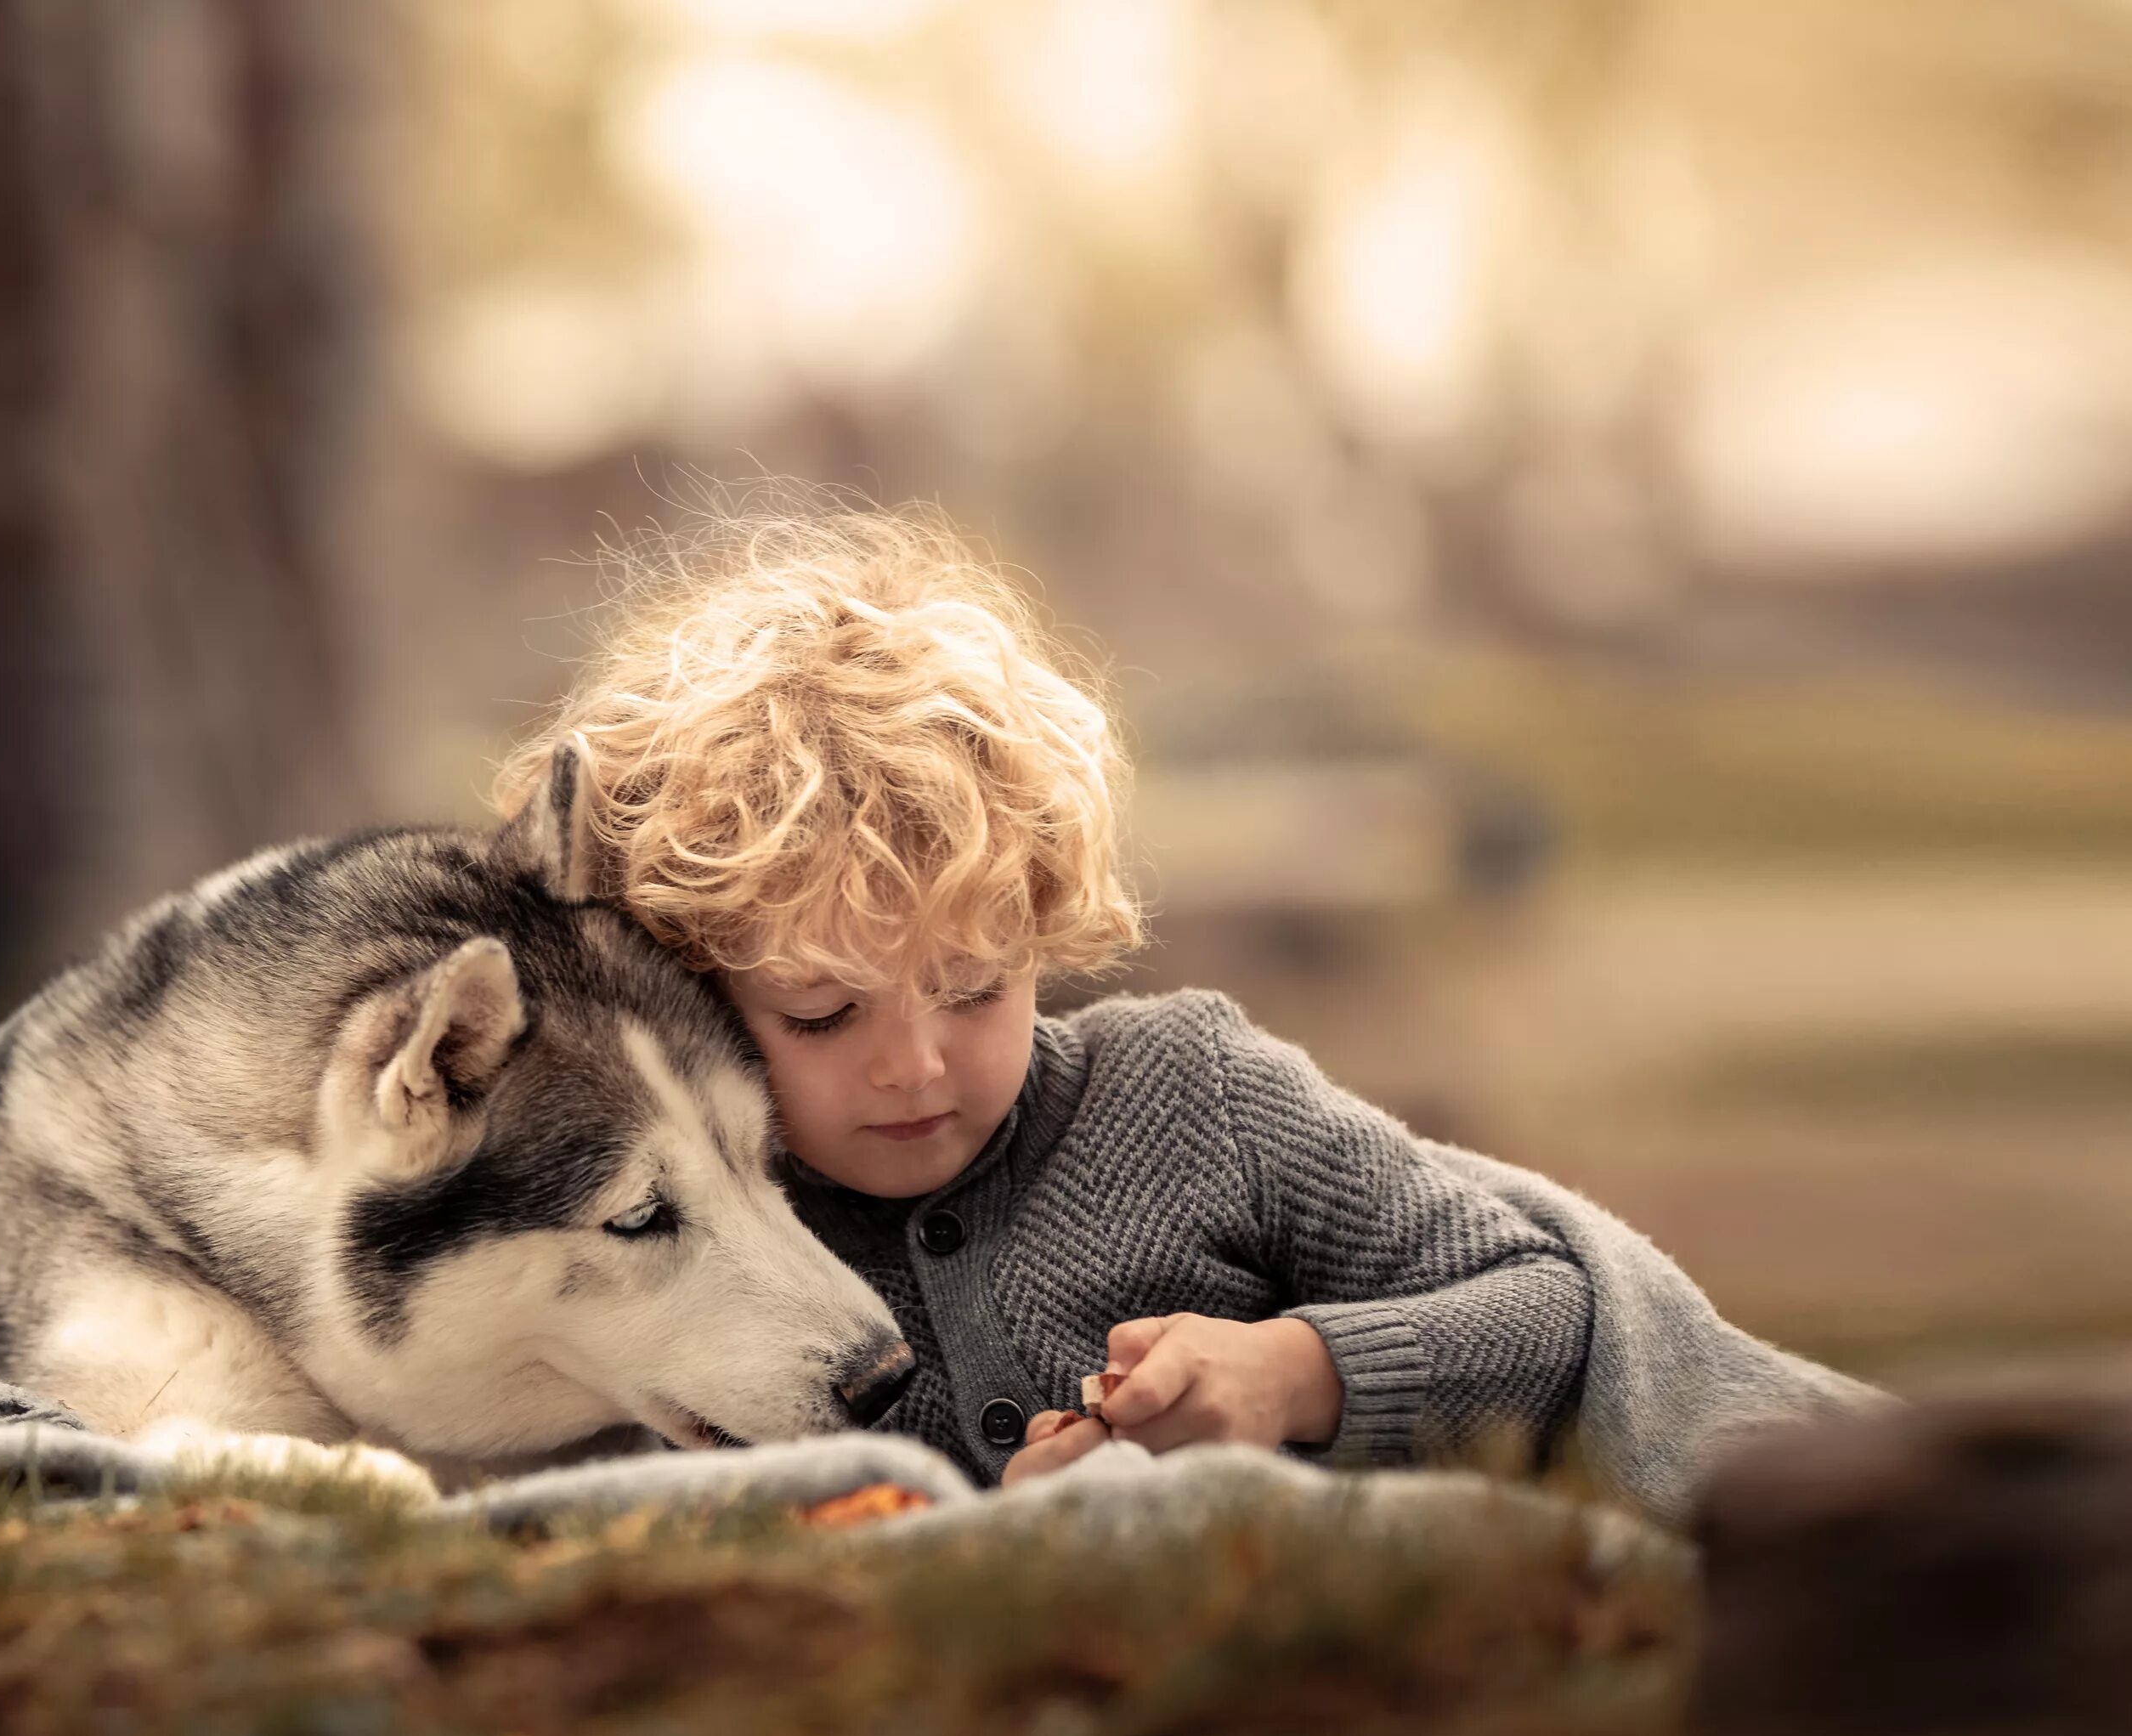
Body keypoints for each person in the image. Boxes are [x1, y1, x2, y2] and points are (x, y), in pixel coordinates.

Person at [490, 488, 1871, 1518]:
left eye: (974, 987)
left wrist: (1290, 1375)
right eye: (822, 1017)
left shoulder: (1190, 1098)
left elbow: (1550, 1317)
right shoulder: (679, 1245)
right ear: (682, 1000)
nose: (916, 1066)